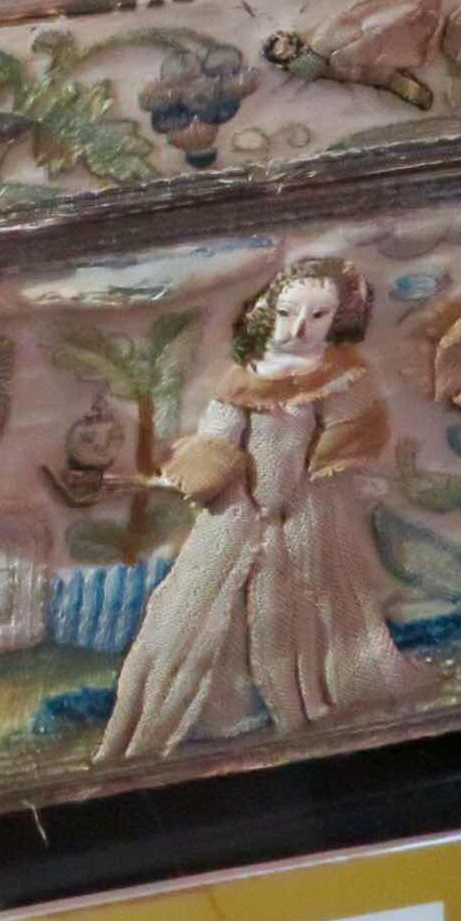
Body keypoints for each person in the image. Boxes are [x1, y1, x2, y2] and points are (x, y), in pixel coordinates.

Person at [95, 256, 418, 763]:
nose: (299, 328)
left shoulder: (339, 376)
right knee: (203, 609)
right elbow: (217, 446)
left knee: (303, 609)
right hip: (239, 512)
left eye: (317, 315)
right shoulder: (244, 379)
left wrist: (320, 470)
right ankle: (214, 714)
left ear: (337, 318)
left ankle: (309, 702)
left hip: (306, 512)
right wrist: (183, 478)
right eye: (288, 312)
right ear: (268, 311)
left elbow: (352, 433)